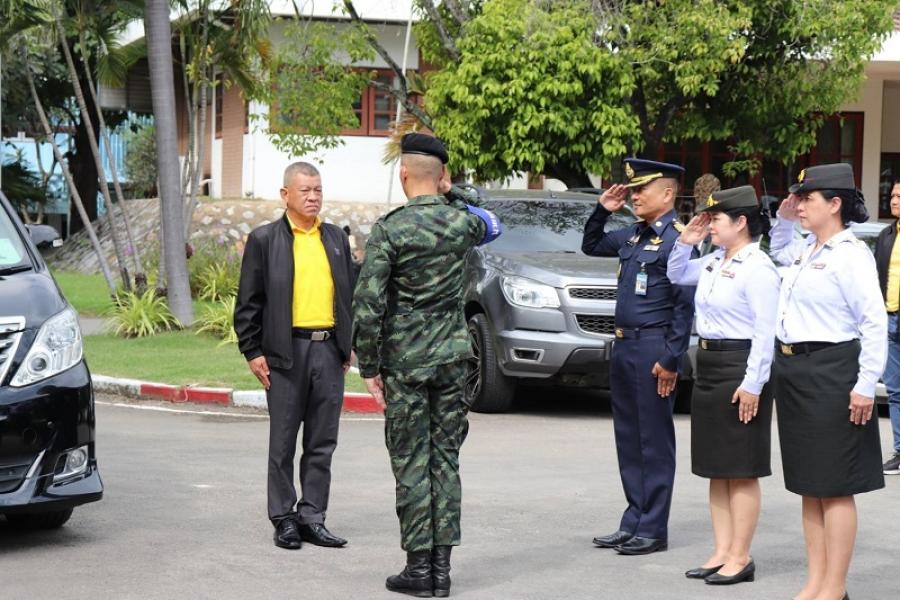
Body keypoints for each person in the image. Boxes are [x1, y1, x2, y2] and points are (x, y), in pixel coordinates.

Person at [352, 133, 501, 598]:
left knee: (412, 461)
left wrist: (369, 365)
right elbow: (492, 220)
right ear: (441, 177)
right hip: (453, 360)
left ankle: (419, 570)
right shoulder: (464, 224)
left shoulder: (390, 230)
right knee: (445, 460)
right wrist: (453, 190)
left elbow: (368, 304)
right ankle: (442, 569)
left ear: (402, 175)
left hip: (407, 363)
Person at [769, 163, 886, 600]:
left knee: (834, 486)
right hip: (797, 372)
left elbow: (873, 322)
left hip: (833, 371)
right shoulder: (808, 249)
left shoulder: (849, 254)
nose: (799, 205)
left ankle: (834, 587)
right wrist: (783, 219)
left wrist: (864, 385)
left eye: (807, 199)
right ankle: (815, 580)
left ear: (834, 204)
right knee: (809, 483)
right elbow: (777, 251)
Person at [234, 162, 356, 550]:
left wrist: (349, 343)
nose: (313, 196)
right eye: (305, 190)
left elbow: (349, 296)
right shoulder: (265, 240)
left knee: (322, 442)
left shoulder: (335, 239)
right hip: (286, 354)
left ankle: (312, 516)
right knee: (283, 441)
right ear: (285, 194)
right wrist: (253, 351)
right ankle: (284, 518)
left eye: (318, 189)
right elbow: (248, 303)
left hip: (329, 352)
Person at [582, 158, 696, 556]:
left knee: (654, 440)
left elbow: (684, 307)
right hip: (624, 345)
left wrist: (671, 358)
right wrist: (601, 210)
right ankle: (633, 520)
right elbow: (592, 244)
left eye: (641, 190)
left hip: (653, 348)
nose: (633, 196)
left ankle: (653, 527)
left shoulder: (679, 240)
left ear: (667, 194)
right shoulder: (632, 236)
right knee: (629, 438)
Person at [667, 186, 779, 585]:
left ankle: (741, 555)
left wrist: (753, 384)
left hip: (739, 366)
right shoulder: (713, 261)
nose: (709, 224)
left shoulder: (758, 268)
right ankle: (721, 549)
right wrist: (686, 242)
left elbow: (766, 333)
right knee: (716, 467)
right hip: (711, 364)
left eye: (716, 219)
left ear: (741, 222)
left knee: (741, 468)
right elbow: (677, 274)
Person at [874, 179, 900, 475]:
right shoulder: (886, 235)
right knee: (894, 390)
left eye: (898, 196)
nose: (893, 200)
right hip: (890, 319)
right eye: (892, 195)